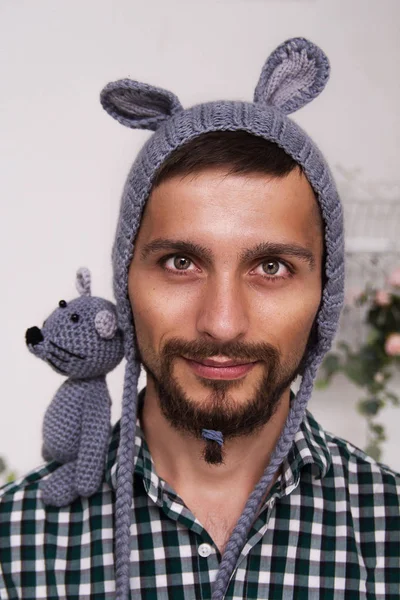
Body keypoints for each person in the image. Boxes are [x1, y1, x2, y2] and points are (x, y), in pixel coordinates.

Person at [1, 37, 399, 600]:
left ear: (324, 295)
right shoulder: (15, 545)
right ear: (126, 284)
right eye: (180, 262)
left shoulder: (388, 534)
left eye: (271, 266)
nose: (222, 322)